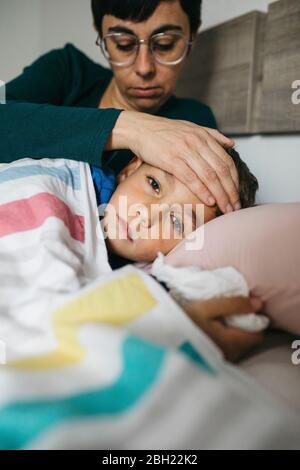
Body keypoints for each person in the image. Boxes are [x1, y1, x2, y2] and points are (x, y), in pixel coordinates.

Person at [0, 0, 241, 215]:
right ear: (101, 34)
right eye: (124, 44)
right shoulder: (67, 71)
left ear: (191, 38)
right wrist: (132, 129)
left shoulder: (192, 121)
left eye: (165, 44)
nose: (144, 68)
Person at [98, 147, 258, 264]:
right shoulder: (85, 182)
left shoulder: (161, 283)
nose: (146, 214)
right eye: (154, 184)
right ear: (129, 170)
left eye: (176, 222)